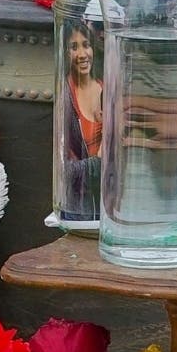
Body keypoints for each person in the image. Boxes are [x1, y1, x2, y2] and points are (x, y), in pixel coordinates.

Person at [58, 21, 103, 221]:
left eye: (86, 44)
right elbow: (63, 172)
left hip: (111, 201)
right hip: (80, 209)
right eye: (73, 47)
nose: (83, 54)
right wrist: (98, 162)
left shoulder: (107, 85)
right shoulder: (65, 98)